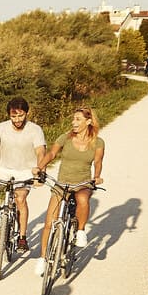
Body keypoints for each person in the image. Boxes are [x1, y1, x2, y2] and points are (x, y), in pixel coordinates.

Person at [34, 106, 105, 275]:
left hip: (83, 183)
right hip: (62, 183)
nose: (74, 122)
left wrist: (97, 176)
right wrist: (39, 167)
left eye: (78, 119)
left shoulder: (98, 142)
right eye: (73, 119)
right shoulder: (65, 138)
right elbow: (51, 154)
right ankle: (43, 259)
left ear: (88, 122)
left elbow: (98, 161)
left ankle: (80, 231)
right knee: (49, 223)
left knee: (82, 200)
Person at [0, 97, 46, 254]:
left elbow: (40, 152)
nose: (17, 120)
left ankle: (22, 237)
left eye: (20, 116)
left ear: (27, 113)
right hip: (3, 168)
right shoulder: (0, 128)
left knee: (20, 199)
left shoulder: (35, 129)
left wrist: (40, 172)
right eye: (13, 116)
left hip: (25, 170)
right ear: (9, 115)